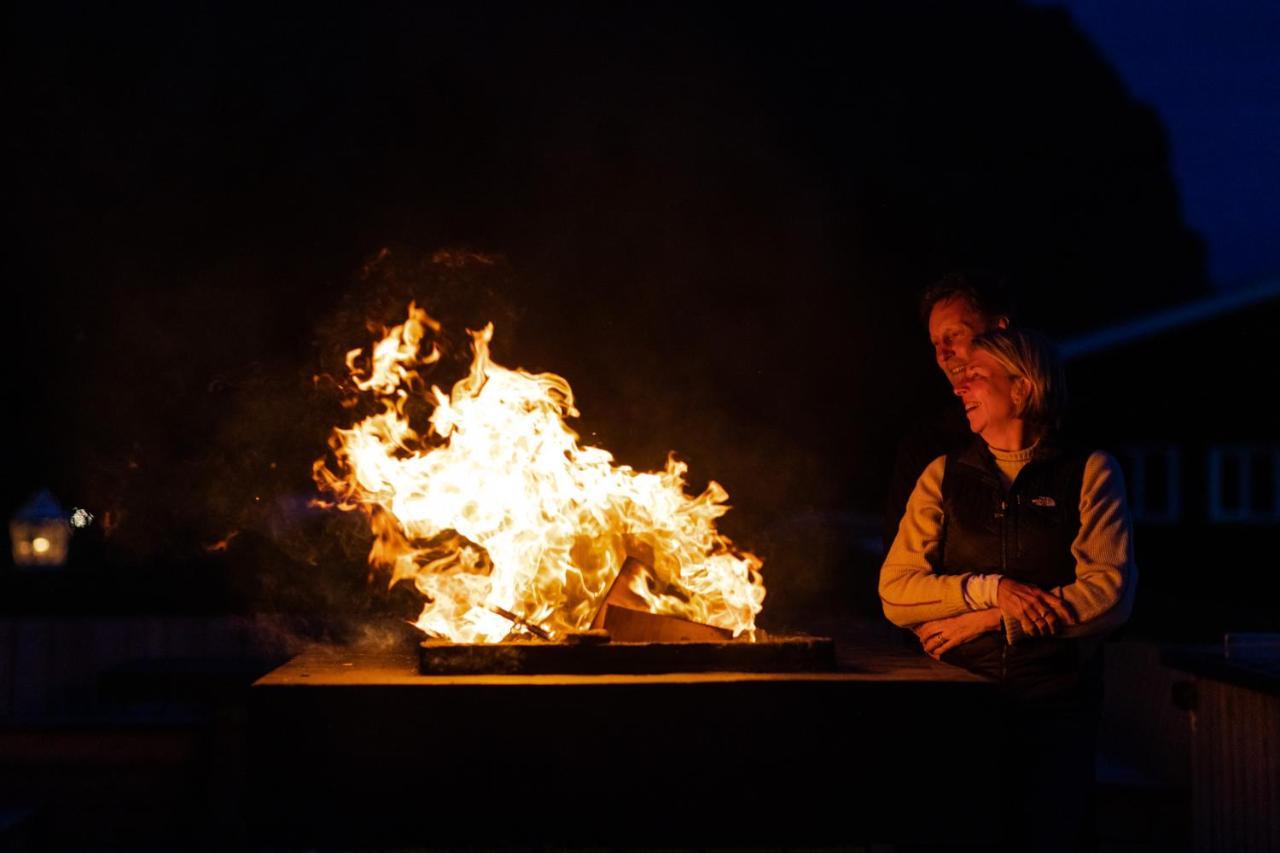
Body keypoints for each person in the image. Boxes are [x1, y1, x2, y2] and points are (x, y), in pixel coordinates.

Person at [879, 328, 1136, 853]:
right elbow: (896, 592)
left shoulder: (1089, 472)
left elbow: (1109, 593)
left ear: (1020, 390)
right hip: (959, 710)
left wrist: (994, 617)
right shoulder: (943, 476)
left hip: (1054, 710)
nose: (959, 387)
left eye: (975, 376)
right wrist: (989, 591)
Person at [882, 271, 1015, 552]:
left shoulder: (1064, 445)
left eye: (954, 335)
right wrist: (987, 591)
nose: (944, 354)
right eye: (936, 343)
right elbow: (898, 569)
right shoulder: (927, 450)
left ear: (999, 330)